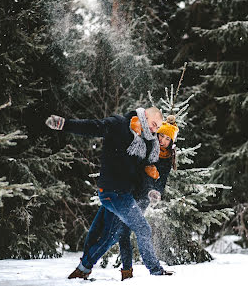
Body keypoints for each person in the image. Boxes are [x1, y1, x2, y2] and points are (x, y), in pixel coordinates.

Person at [45, 107, 172, 279]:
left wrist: (152, 190)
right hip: (112, 191)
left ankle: (83, 269)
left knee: (97, 231)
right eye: (154, 124)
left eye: (158, 128)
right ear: (145, 115)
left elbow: (146, 170)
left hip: (124, 194)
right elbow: (93, 127)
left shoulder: (147, 142)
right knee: (135, 230)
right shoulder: (119, 125)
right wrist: (65, 124)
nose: (154, 130)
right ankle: (155, 271)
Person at [80, 115, 179, 281]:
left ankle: (88, 267)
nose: (163, 140)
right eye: (161, 135)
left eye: (167, 138)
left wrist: (155, 191)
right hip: (121, 190)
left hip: (139, 197)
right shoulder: (147, 145)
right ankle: (123, 270)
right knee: (99, 228)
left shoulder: (167, 159)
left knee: (117, 233)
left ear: (171, 142)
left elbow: (159, 182)